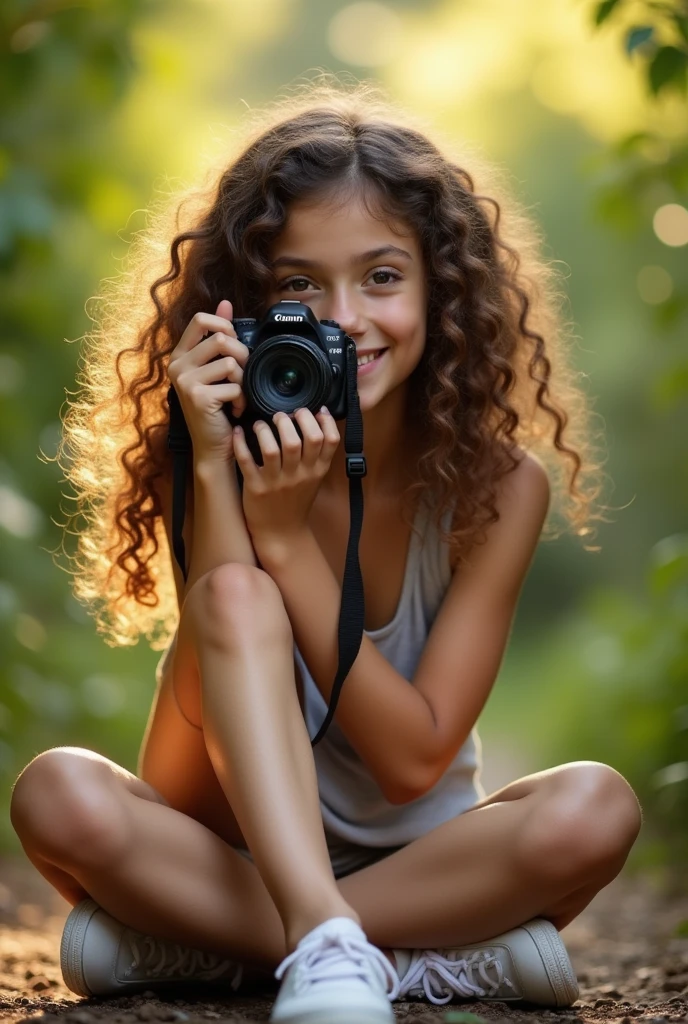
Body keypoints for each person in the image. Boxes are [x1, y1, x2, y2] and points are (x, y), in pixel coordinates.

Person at [10, 83, 642, 1024]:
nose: (344, 318)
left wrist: (285, 541)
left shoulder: (502, 487)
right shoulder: (223, 440)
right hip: (228, 843)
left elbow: (412, 762)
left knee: (596, 809)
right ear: (246, 311)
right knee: (60, 791)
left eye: (382, 277)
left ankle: (229, 949)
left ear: (442, 291)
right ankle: (390, 951)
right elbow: (193, 764)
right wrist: (215, 462)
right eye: (300, 286)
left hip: (417, 854)